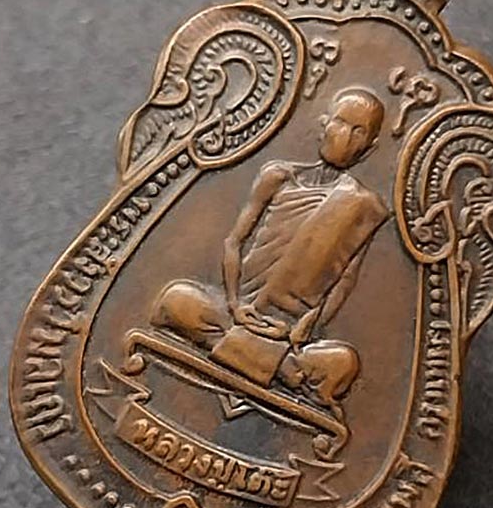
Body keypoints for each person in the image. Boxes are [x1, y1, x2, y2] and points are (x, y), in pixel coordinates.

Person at [152, 88, 389, 411]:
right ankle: (277, 369)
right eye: (341, 123)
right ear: (323, 124)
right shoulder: (278, 176)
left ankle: (244, 353)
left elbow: (344, 282)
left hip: (288, 334)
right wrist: (235, 304)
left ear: (370, 148)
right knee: (176, 299)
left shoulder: (365, 207)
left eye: (358, 131)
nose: (345, 137)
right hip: (236, 313)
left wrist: (302, 328)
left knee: (343, 363)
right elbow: (234, 241)